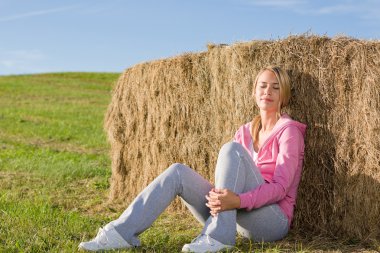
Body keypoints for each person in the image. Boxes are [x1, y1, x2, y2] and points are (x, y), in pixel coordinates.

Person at [78, 66, 307, 252]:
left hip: (272, 220)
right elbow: (229, 179)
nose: (268, 91)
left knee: (230, 150)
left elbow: (280, 188)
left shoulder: (289, 132)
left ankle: (218, 237)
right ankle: (121, 232)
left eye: (275, 87)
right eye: (263, 86)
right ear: (254, 92)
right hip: (236, 218)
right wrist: (224, 199)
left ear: (284, 95)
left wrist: (237, 201)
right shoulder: (244, 131)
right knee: (178, 171)